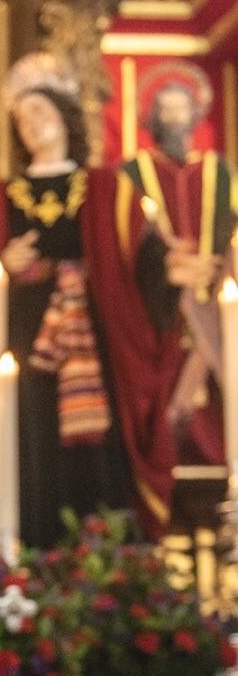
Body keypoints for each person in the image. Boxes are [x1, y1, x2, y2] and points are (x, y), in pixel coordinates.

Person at [0, 54, 187, 545]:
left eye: (40, 110)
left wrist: (174, 273)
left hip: (97, 348)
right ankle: (26, 557)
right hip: (20, 354)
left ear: (64, 115)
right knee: (27, 449)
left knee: (97, 455)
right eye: (21, 116)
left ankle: (102, 563)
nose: (31, 122)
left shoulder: (109, 191)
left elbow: (148, 267)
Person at [121, 63, 230, 464]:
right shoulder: (132, 173)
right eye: (164, 109)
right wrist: (169, 265)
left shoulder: (219, 171)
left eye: (180, 108)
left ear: (195, 113)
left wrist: (218, 267)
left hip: (217, 295)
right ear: (152, 116)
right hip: (159, 305)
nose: (173, 117)